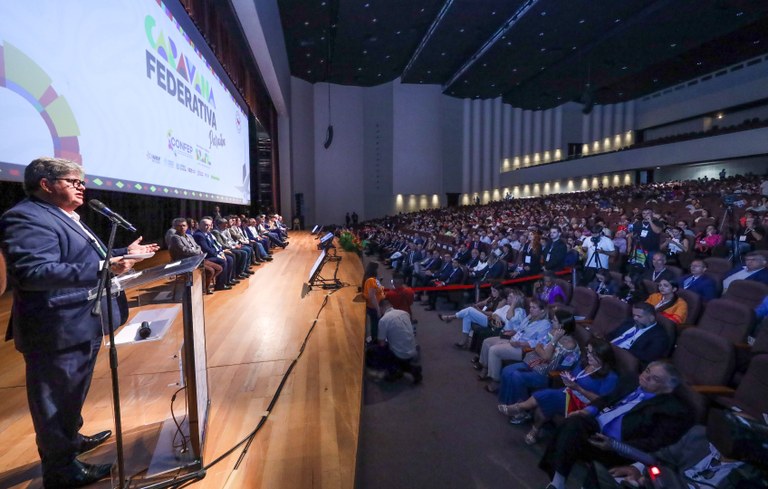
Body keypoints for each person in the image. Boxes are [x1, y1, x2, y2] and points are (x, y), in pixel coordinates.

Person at [0, 157, 158, 487]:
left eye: (82, 182)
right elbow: (34, 273)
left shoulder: (64, 216)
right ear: (45, 184)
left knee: (71, 393)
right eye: (73, 181)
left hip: (80, 321)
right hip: (55, 327)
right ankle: (60, 469)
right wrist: (105, 267)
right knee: (54, 401)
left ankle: (70, 439)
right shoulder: (25, 218)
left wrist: (122, 254)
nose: (81, 187)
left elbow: (81, 260)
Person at [538, 361, 694, 489]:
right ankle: (557, 483)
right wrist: (588, 411)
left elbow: (653, 444)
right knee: (575, 421)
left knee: (572, 427)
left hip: (618, 447)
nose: (646, 377)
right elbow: (607, 399)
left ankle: (568, 482)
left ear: (667, 388)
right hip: (595, 429)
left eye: (655, 378)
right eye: (647, 371)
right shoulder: (631, 380)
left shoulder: (672, 410)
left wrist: (615, 445)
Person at [498, 338, 619, 446]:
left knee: (547, 395)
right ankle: (534, 430)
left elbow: (601, 401)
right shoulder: (584, 363)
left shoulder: (611, 377)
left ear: (602, 356)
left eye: (592, 354)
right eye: (588, 352)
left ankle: (520, 408)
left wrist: (578, 388)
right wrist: (568, 378)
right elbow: (574, 376)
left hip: (583, 404)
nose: (588, 356)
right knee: (546, 400)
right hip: (568, 393)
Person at [477, 298, 552, 393]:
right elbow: (520, 329)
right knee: (487, 342)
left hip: (523, 348)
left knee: (494, 350)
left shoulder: (545, 324)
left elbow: (540, 342)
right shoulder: (530, 317)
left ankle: (496, 381)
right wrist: (514, 331)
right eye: (530, 307)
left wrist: (522, 343)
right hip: (514, 339)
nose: (531, 309)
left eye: (534, 307)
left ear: (542, 310)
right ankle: (485, 367)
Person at [366, 300, 422, 383]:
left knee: (372, 352)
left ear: (381, 308)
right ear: (391, 305)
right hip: (413, 349)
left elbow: (381, 343)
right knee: (396, 346)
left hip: (400, 353)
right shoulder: (404, 313)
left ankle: (394, 370)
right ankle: (410, 369)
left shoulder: (383, 320)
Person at [606, 302, 671, 367]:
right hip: (607, 350)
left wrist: (621, 351)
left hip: (621, 361)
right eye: (634, 315)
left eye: (639, 316)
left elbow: (647, 357)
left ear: (651, 318)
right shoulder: (630, 322)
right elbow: (612, 334)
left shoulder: (659, 337)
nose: (635, 318)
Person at [168, 217, 222, 294]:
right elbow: (184, 250)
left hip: (196, 259)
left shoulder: (189, 236)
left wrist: (197, 251)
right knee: (210, 271)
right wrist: (197, 251)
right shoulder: (175, 238)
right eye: (179, 226)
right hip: (184, 262)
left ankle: (201, 285)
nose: (182, 227)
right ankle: (204, 289)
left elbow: (198, 246)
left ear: (187, 226)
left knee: (219, 268)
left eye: (184, 225)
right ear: (175, 227)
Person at [362, 262, 386, 342]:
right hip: (374, 307)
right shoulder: (370, 280)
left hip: (377, 306)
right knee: (376, 324)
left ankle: (376, 338)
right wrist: (378, 309)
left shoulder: (373, 279)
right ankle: (375, 340)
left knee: (376, 323)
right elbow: (372, 296)